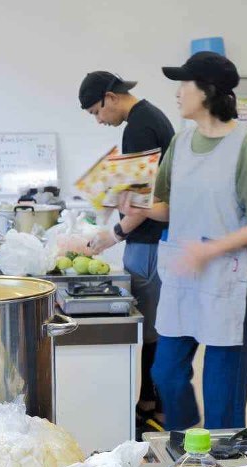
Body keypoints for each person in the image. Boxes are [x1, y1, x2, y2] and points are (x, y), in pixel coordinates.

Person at [120, 52, 247, 430]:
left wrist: (209, 249)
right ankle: (187, 436)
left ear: (206, 91)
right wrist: (139, 206)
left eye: (183, 84)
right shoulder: (181, 143)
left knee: (222, 396)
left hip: (227, 281)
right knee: (166, 372)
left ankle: (220, 456)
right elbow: (167, 207)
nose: (177, 93)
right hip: (183, 278)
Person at [80, 70, 175, 425]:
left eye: (96, 112)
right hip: (152, 238)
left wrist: (114, 235)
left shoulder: (138, 127)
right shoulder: (148, 118)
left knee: (151, 329)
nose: (99, 120)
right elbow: (137, 189)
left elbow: (140, 201)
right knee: (153, 326)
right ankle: (149, 401)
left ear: (110, 97)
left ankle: (156, 407)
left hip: (149, 241)